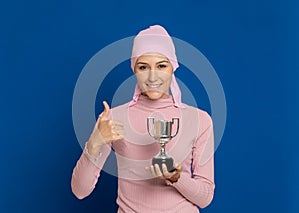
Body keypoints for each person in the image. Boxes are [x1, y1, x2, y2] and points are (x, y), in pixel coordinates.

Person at [71, 25, 215, 213]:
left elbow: (205, 198)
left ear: (173, 67)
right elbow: (80, 191)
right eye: (143, 67)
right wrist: (94, 143)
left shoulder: (199, 120)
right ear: (134, 70)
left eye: (161, 66)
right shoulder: (113, 118)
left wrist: (176, 178)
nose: (152, 76)